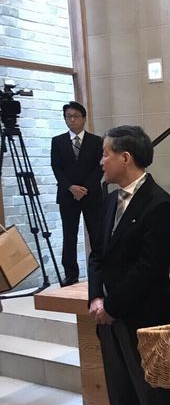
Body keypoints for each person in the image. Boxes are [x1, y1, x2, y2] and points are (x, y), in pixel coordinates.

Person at [88, 125, 170, 405]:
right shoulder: (109, 200)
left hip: (144, 314)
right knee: (119, 385)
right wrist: (96, 298)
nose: (101, 161)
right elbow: (97, 254)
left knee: (152, 389)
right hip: (108, 313)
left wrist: (111, 304)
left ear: (125, 158)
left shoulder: (160, 204)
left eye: (106, 153)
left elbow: (149, 267)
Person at [51, 101, 104, 286]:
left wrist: (84, 188)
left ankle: (100, 271)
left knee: (96, 234)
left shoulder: (97, 141)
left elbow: (100, 167)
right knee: (69, 235)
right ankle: (71, 274)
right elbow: (56, 168)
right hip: (67, 195)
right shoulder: (58, 141)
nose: (72, 120)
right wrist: (71, 187)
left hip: (92, 194)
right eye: (68, 117)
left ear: (84, 118)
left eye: (75, 116)